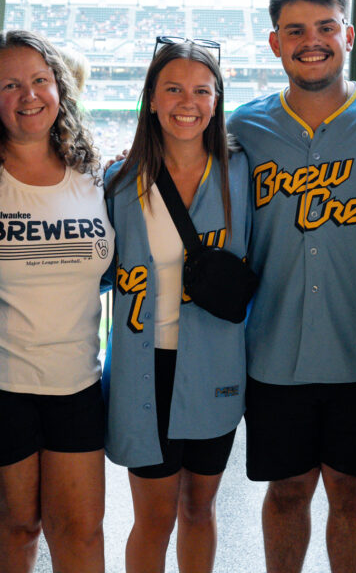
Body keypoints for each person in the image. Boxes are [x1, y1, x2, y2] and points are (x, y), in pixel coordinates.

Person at [227, 0, 356, 573]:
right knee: (285, 492)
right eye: (295, 29)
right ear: (275, 42)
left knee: (353, 494)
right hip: (274, 348)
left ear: (350, 33)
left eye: (325, 26)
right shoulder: (243, 127)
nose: (312, 40)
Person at [0, 30, 114, 573]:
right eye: (11, 84)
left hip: (77, 383)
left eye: (41, 80)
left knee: (82, 534)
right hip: (0, 386)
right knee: (18, 533)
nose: (30, 95)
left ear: (60, 87)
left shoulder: (95, 173)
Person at [104, 39, 250, 573]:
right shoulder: (119, 182)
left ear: (216, 102)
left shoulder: (241, 173)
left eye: (201, 91)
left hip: (214, 365)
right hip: (145, 369)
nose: (187, 102)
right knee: (154, 517)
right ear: (150, 99)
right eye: (173, 89)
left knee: (199, 508)